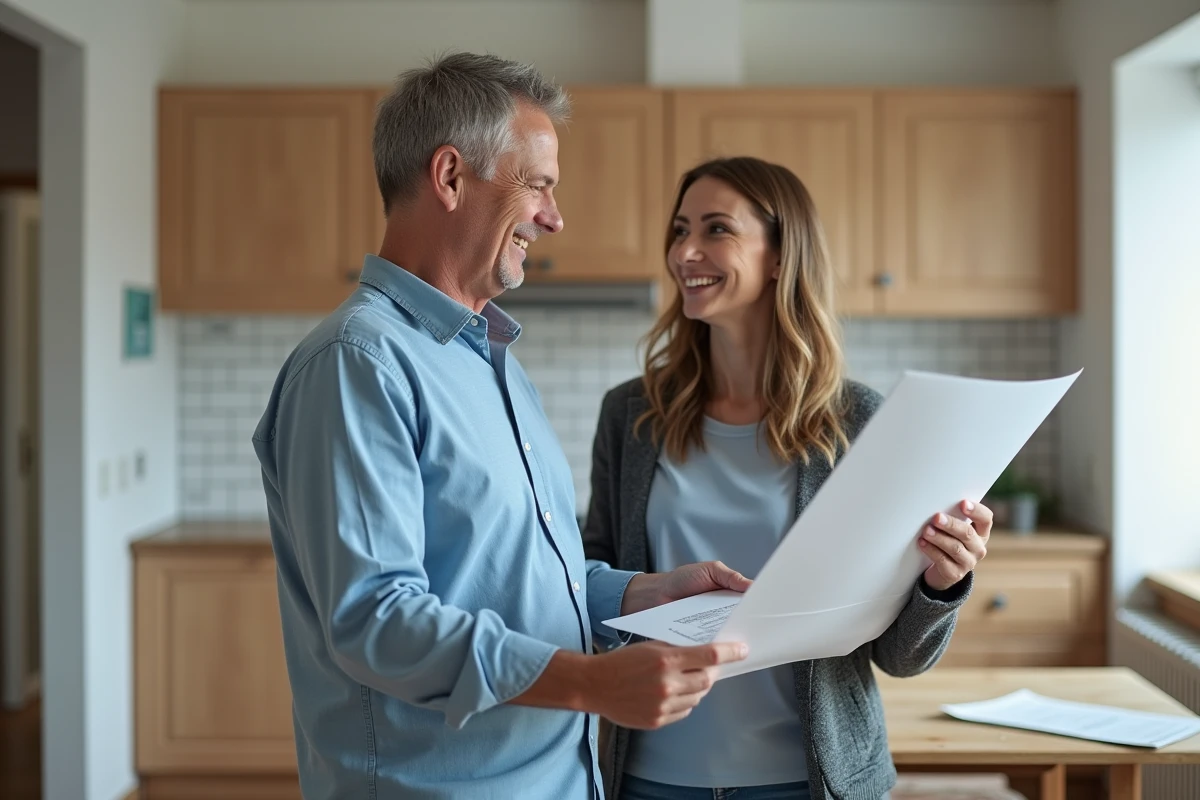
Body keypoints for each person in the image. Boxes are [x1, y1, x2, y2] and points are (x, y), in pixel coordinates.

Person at [251, 53, 751, 800]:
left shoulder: (490, 360)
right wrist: (589, 683)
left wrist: (644, 595)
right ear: (450, 177)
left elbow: (519, 577)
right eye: (539, 185)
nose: (554, 217)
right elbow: (375, 620)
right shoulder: (358, 363)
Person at [582, 156, 993, 800]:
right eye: (679, 229)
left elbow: (900, 658)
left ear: (781, 255)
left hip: (809, 782)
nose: (685, 251)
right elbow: (591, 579)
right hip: (647, 778)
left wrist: (945, 582)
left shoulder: (858, 421)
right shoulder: (631, 415)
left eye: (717, 229)